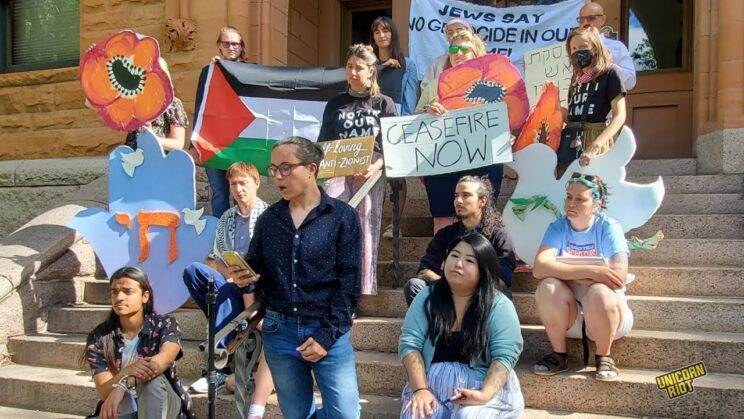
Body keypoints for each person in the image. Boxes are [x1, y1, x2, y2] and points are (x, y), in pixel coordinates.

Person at [246, 137, 362, 418]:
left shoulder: (342, 216)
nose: (278, 176)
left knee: (346, 414)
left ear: (311, 169)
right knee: (296, 414)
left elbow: (349, 285)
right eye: (273, 169)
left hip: (327, 327)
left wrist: (326, 336)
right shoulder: (269, 219)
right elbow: (257, 272)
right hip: (280, 331)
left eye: (286, 168)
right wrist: (243, 277)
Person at [181, 162, 274, 418]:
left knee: (224, 294)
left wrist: (246, 278)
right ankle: (228, 322)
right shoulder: (227, 218)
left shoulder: (269, 216)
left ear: (257, 183)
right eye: (234, 184)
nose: (238, 189)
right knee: (193, 271)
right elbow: (214, 259)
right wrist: (229, 273)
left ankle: (218, 365)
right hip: (233, 281)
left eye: (244, 183)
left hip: (258, 287)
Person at [399, 233, 524, 419]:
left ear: (484, 269)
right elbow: (410, 345)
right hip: (430, 387)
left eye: (469, 260)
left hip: (483, 388)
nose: (458, 264)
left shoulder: (498, 304)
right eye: (454, 256)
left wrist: (484, 394)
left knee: (467, 416)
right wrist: (421, 389)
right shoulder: (427, 298)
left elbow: (505, 355)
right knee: (417, 414)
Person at [532, 173, 633, 381]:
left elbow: (618, 277)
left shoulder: (609, 227)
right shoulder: (558, 227)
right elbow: (539, 268)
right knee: (548, 286)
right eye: (569, 197)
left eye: (580, 199)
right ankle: (559, 354)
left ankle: (604, 356)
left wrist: (564, 271)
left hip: (609, 316)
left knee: (599, 292)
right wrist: (591, 272)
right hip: (570, 317)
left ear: (597, 204)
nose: (571, 204)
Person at [318, 44, 398, 295]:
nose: (353, 72)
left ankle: (360, 289)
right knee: (332, 222)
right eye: (349, 67)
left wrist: (376, 167)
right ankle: (333, 285)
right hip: (338, 168)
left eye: (359, 68)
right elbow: (323, 143)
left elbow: (392, 144)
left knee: (366, 228)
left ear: (371, 71)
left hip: (371, 170)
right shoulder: (335, 104)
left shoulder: (384, 103)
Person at [415, 31, 503, 235]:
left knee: (480, 220)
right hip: (442, 164)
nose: (459, 53)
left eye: (465, 49)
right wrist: (428, 112)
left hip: (483, 161)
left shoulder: (492, 83)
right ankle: (445, 256)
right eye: (454, 49)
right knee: (443, 223)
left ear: (476, 53)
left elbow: (504, 118)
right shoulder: (435, 84)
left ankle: (477, 256)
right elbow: (416, 120)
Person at [84, 267, 193, 419]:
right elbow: (104, 391)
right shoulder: (100, 336)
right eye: (114, 292)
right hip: (122, 412)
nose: (119, 297)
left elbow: (165, 358)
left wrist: (124, 384)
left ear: (145, 296)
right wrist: (126, 372)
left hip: (164, 405)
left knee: (152, 380)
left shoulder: (164, 324)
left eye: (128, 291)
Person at [403, 176, 516, 306]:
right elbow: (424, 270)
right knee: (414, 286)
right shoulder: (445, 234)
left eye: (466, 195)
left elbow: (502, 279)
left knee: (502, 294)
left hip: (480, 297)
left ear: (482, 201)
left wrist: (467, 287)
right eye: (456, 196)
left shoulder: (499, 236)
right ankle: (440, 319)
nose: (459, 201)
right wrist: (450, 285)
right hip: (448, 294)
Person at [369, 15, 419, 240]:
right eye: (377, 31)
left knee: (396, 175)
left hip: (395, 125)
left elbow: (410, 98)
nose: (381, 35)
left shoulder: (408, 64)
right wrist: (380, 67)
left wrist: (404, 126)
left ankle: (395, 223)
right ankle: (370, 221)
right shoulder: (367, 64)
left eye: (385, 30)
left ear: (393, 34)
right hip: (369, 125)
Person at [556, 26, 627, 174]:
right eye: (573, 48)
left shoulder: (610, 74)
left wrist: (595, 146)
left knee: (590, 185)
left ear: (595, 49)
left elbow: (619, 115)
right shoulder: (575, 80)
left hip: (596, 138)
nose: (578, 52)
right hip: (572, 140)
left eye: (583, 47)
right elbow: (572, 118)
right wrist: (558, 109)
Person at [197, 26, 247, 218]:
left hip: (241, 140)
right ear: (219, 45)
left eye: (235, 43)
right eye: (226, 43)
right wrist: (194, 142)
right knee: (219, 192)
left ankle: (243, 230)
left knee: (241, 189)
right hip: (213, 140)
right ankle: (222, 232)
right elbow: (200, 104)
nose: (231, 47)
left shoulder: (251, 71)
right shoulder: (208, 71)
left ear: (241, 46)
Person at [125, 60, 188, 152]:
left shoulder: (172, 103)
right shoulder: (136, 101)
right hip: (132, 158)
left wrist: (152, 138)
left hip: (157, 158)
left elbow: (178, 144)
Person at [577, 2, 637, 90]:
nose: (585, 23)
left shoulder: (616, 47)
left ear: (602, 19)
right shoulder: (574, 50)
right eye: (581, 20)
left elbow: (630, 82)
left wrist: (608, 67)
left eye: (590, 18)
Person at [420, 18, 484, 91]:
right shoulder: (437, 63)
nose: (455, 34)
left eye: (464, 49)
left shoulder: (484, 75)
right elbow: (426, 90)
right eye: (450, 33)